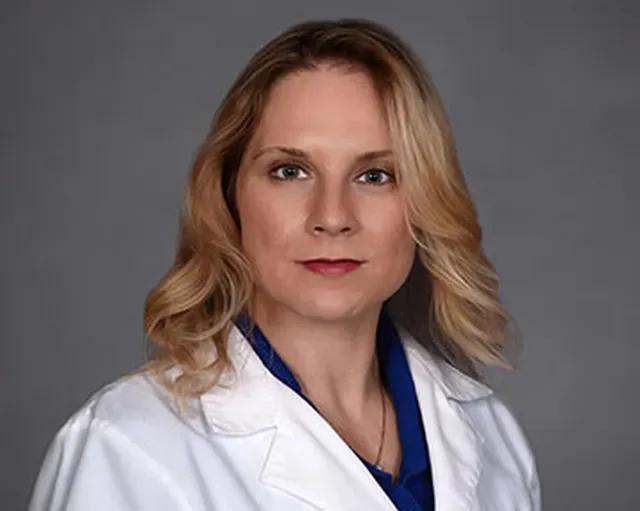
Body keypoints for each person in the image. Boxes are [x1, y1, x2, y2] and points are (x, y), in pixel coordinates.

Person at [29, 18, 542, 510]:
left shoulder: (492, 434)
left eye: (375, 176)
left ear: (426, 201)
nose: (332, 217)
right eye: (290, 171)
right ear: (229, 195)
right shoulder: (127, 450)